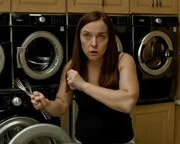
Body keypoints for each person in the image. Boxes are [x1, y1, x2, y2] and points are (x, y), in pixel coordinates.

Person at [30, 11, 139, 144]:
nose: (93, 43)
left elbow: (127, 103)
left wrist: (83, 85)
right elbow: (62, 105)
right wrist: (46, 104)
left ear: (110, 39)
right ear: (79, 38)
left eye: (101, 36)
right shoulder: (72, 66)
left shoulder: (123, 60)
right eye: (87, 35)